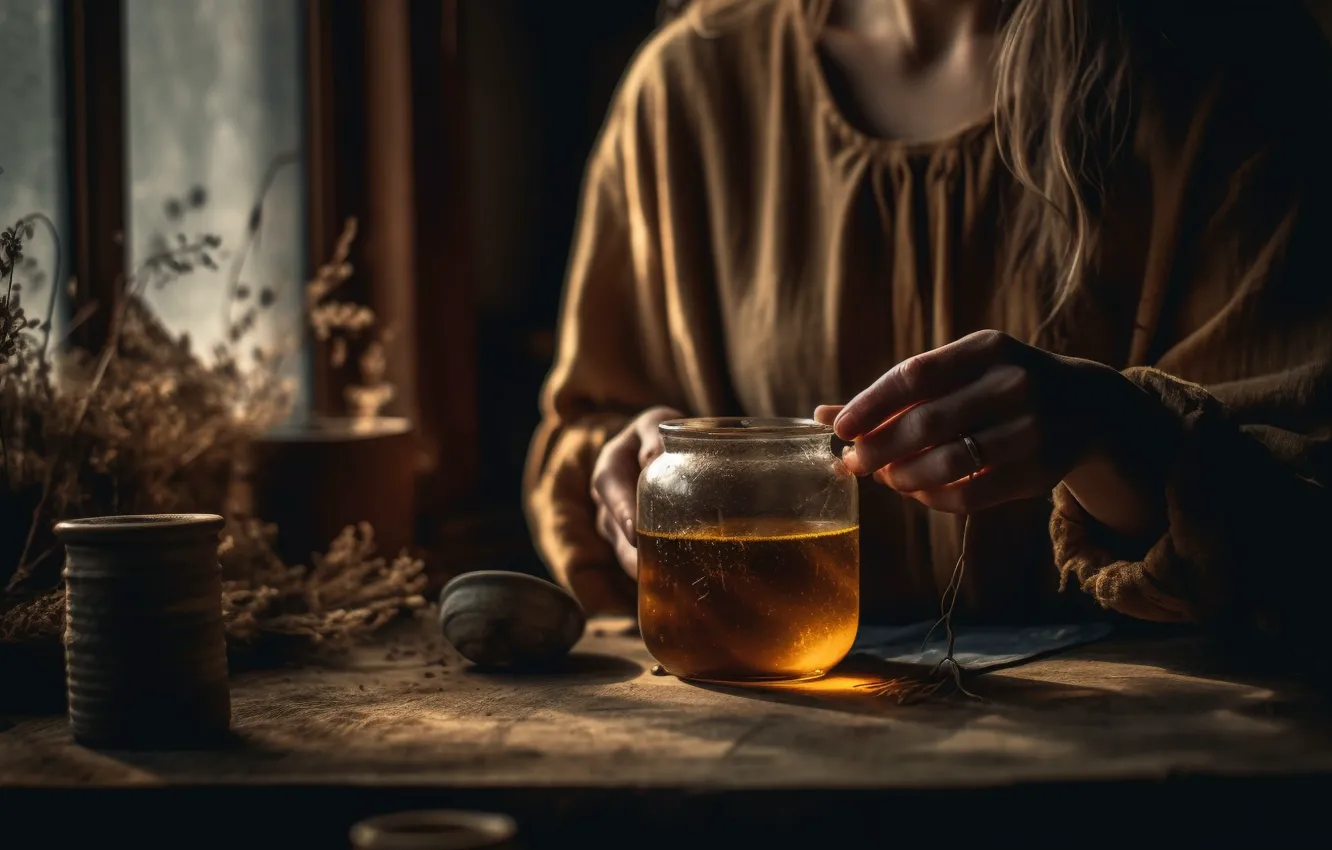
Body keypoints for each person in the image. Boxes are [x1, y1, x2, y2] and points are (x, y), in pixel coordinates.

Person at [524, 0, 1332, 646]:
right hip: (779, 728)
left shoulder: (1228, 63)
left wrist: (1114, 434)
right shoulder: (690, 87)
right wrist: (638, 454)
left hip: (1172, 744)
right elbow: (589, 417)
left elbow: (1304, 504)